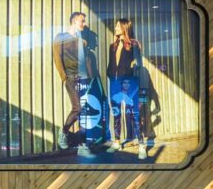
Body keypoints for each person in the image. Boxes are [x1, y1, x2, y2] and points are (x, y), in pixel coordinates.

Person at [53, 11, 98, 158]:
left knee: (85, 112)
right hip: (71, 78)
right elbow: (57, 58)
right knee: (77, 108)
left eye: (84, 21)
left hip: (84, 79)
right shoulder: (61, 37)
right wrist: (64, 77)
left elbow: (86, 62)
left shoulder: (82, 41)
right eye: (82, 21)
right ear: (74, 21)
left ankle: (83, 146)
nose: (84, 24)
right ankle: (64, 132)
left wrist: (90, 79)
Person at [105, 18, 146, 159]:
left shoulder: (133, 44)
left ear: (124, 27)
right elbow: (111, 64)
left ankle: (142, 145)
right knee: (116, 112)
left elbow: (138, 64)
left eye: (118, 26)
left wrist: (132, 69)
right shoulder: (113, 46)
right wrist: (110, 75)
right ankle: (117, 142)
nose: (115, 28)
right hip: (114, 82)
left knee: (134, 113)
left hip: (129, 82)